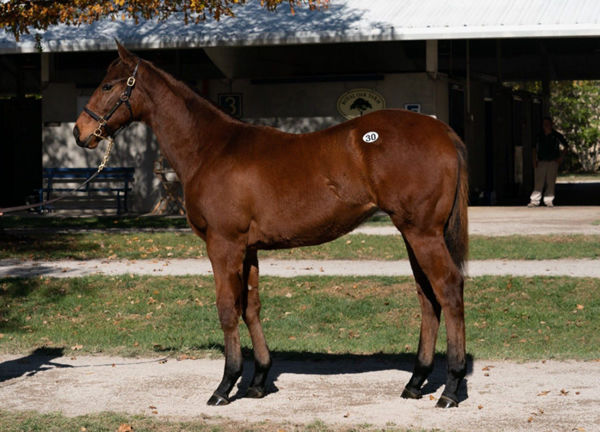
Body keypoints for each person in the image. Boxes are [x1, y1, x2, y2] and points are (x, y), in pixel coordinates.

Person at [528, 116, 567, 207]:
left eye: (547, 124)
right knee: (539, 181)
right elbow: (534, 148)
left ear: (551, 124)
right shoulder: (539, 135)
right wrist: (534, 160)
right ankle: (535, 200)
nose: (546, 126)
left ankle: (548, 200)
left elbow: (566, 146)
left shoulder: (556, 135)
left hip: (553, 161)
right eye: (544, 124)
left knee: (550, 181)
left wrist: (561, 158)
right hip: (541, 161)